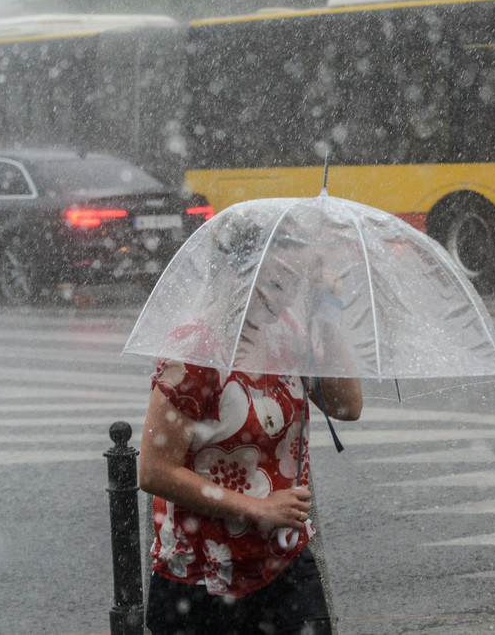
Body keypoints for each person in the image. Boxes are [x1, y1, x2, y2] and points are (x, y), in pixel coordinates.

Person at [137, 218, 363, 635]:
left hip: (284, 560)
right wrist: (257, 508)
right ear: (240, 272)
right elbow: (153, 471)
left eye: (295, 283)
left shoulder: (287, 332)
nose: (284, 300)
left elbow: (347, 406)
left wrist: (326, 314)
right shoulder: (195, 351)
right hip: (203, 576)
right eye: (276, 283)